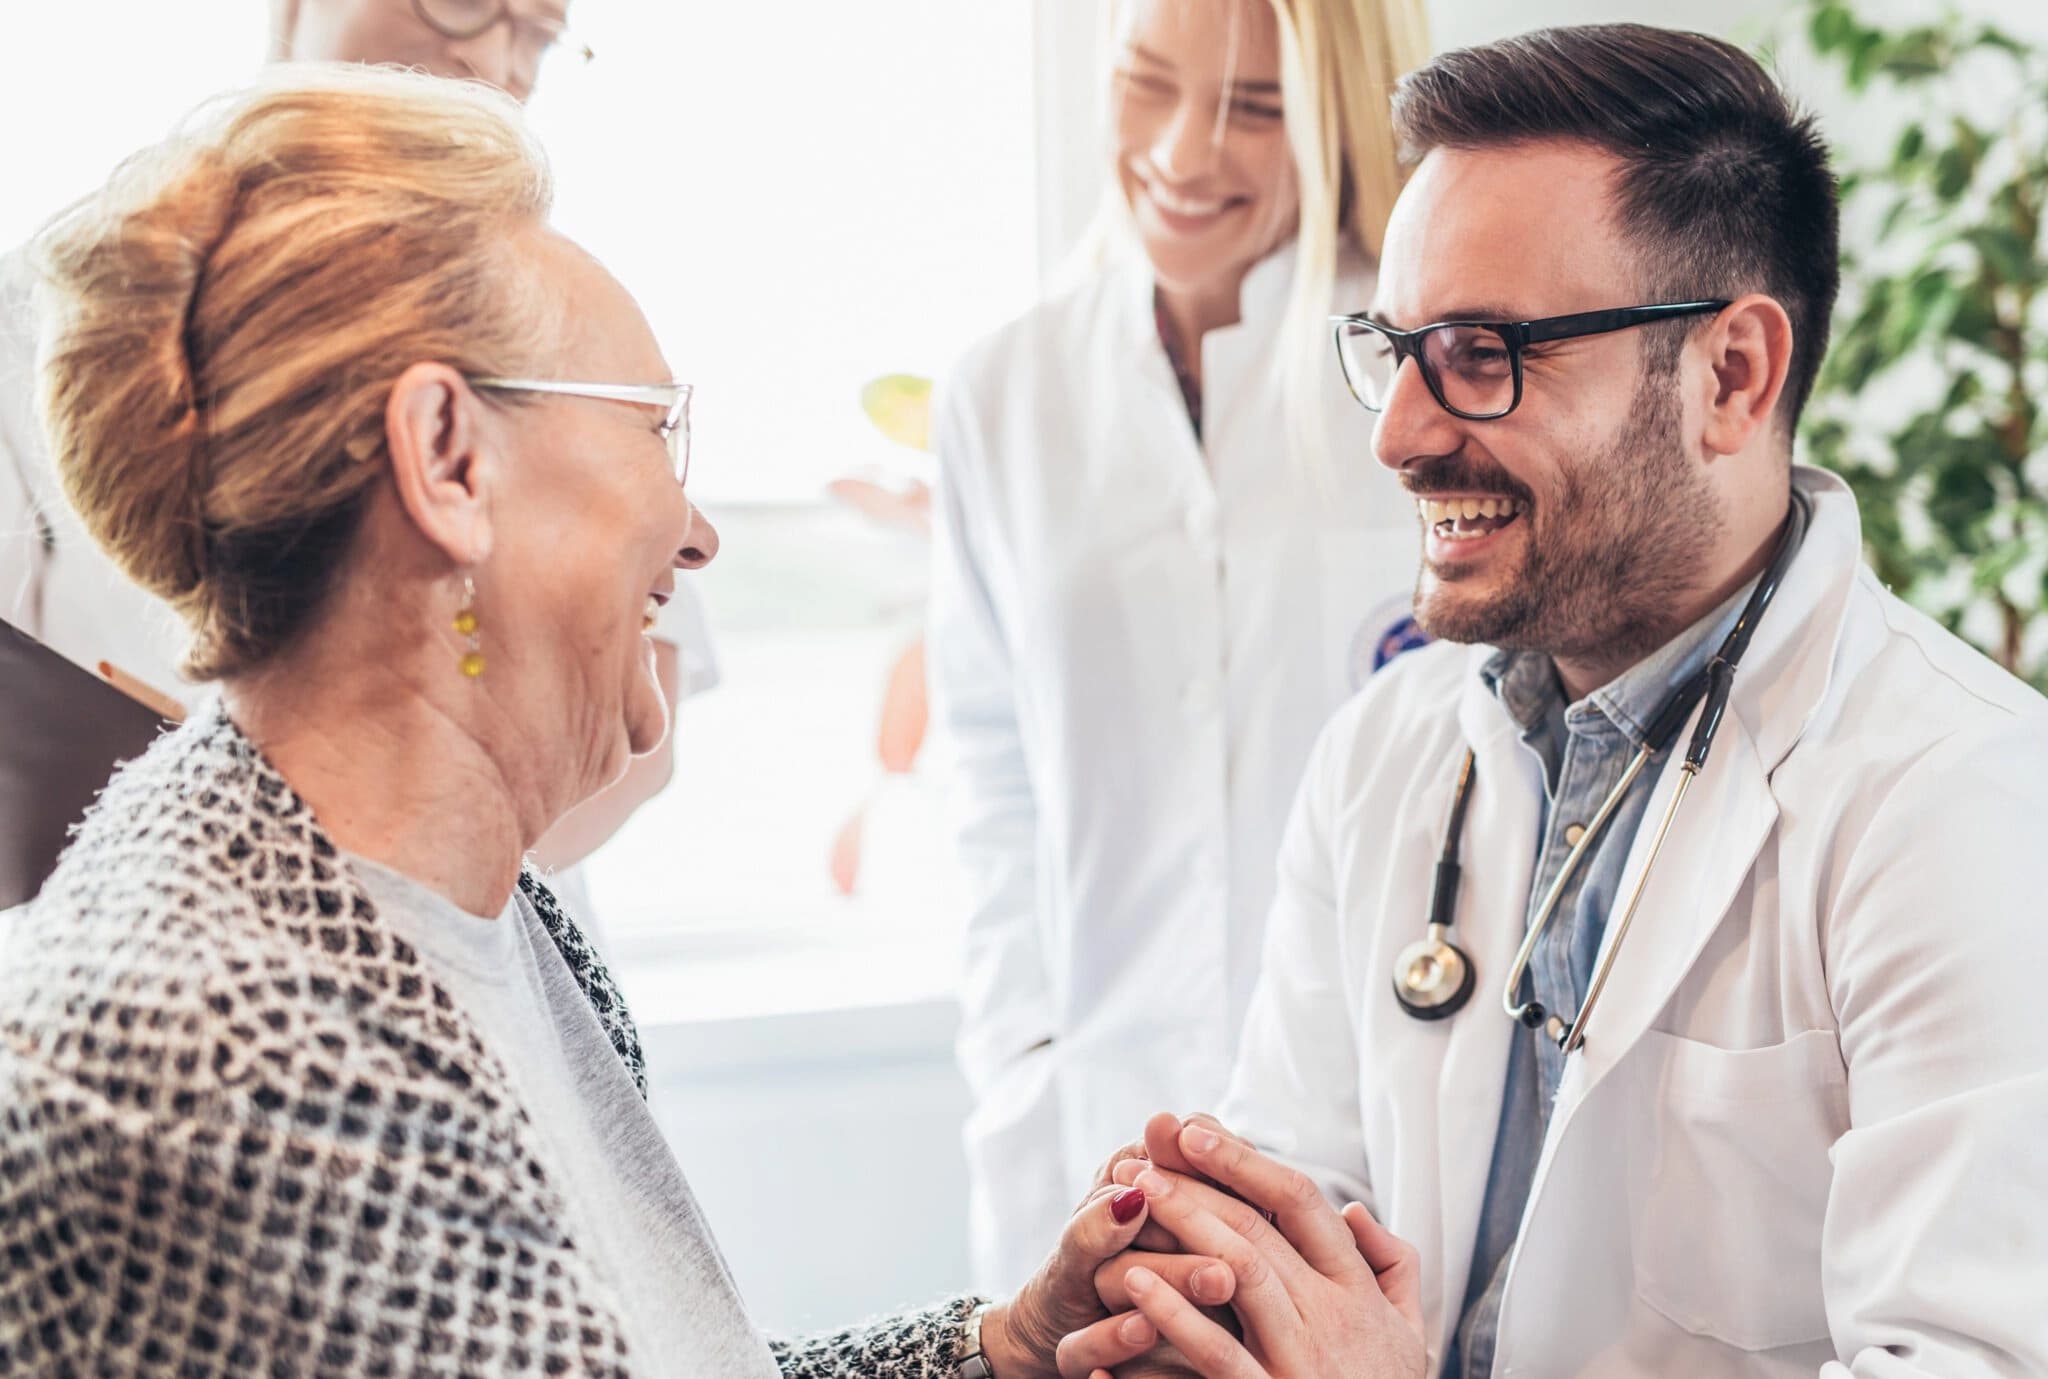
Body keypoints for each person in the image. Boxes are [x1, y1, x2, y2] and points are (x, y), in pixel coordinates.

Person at [0, 67, 1236, 1377]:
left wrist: (1005, 1343)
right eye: (655, 427)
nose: (695, 533)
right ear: (448, 457)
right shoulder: (240, 1073)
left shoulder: (476, 906)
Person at [1054, 23, 2048, 1379]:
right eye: (1393, 346)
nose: (1397, 432)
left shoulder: (1962, 800)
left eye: (1480, 351)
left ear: (1731, 375)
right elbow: (1305, 1200)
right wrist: (1197, 1282)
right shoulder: (1386, 749)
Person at [0, 0, 713, 941]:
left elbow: (637, 710)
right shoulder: (51, 324)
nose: (498, 56)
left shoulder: (563, 320)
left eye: (540, 33)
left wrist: (434, 896)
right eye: (461, 0)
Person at [928, 0, 1429, 1293]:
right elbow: (992, 776)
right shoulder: (1005, 391)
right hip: (1090, 1118)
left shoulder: (1428, 372)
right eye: (1147, 82)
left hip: (1379, 1133)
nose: (1180, 153)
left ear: (1339, 116)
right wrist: (1022, 1057)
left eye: (1255, 107)